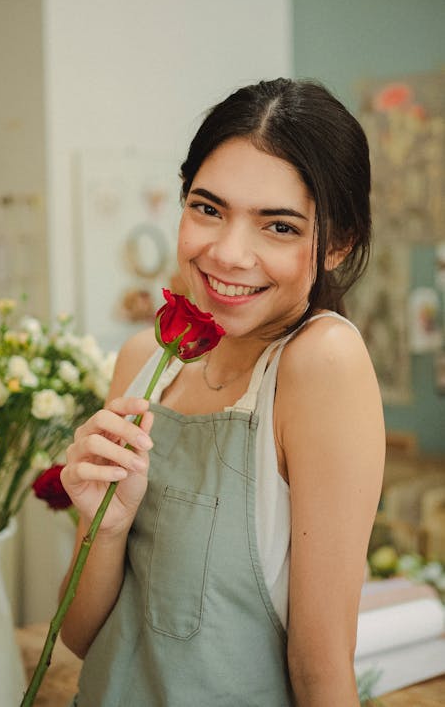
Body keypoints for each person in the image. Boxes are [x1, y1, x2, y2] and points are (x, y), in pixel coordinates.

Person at [60, 78, 385, 706]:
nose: (229, 254)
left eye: (279, 227)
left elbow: (321, 671)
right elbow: (79, 636)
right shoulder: (141, 361)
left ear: (338, 244)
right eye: (208, 209)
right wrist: (106, 524)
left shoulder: (320, 362)